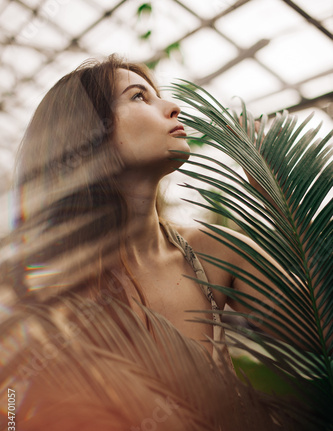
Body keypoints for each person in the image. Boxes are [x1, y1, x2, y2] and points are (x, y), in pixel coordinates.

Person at [13, 53, 293, 365]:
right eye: (138, 96)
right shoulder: (46, 290)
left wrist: (282, 200)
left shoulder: (215, 250)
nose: (174, 107)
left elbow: (321, 334)